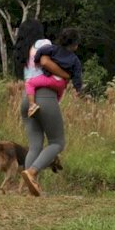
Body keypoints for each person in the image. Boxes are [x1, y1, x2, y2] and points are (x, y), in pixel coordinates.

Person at [20, 27, 83, 197]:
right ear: (75, 45)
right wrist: (77, 88)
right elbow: (75, 78)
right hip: (45, 98)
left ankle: (31, 188)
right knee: (57, 142)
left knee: (35, 145)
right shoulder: (73, 59)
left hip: (27, 97)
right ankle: (32, 172)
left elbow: (42, 60)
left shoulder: (47, 50)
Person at [24, 37, 67, 118]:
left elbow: (43, 64)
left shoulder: (39, 54)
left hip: (47, 80)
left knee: (29, 83)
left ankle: (32, 105)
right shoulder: (56, 54)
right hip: (60, 82)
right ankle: (57, 102)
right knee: (61, 90)